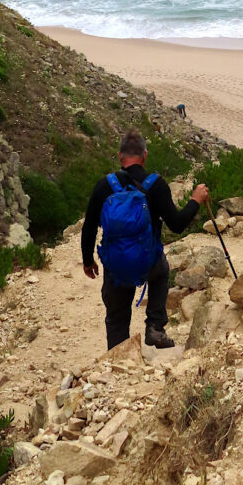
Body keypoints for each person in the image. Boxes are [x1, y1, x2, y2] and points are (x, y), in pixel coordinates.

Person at [81, 129, 209, 350]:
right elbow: (177, 225)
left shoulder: (104, 186)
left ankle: (118, 356)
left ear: (120, 156)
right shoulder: (155, 184)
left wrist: (87, 260)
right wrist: (195, 200)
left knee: (116, 318)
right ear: (145, 155)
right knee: (161, 270)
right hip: (147, 262)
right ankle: (155, 327)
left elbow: (90, 226)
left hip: (116, 266)